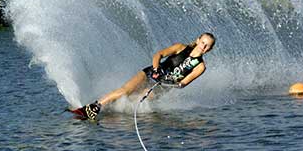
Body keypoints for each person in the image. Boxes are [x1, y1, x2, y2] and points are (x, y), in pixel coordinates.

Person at [70, 32, 216, 120]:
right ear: (198, 40)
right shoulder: (180, 47)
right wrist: (156, 68)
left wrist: (171, 83)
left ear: (209, 49)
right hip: (151, 74)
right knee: (125, 91)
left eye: (207, 45)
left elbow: (184, 83)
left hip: (162, 86)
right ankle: (93, 107)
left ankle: (110, 108)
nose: (203, 46)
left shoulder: (200, 66)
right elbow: (158, 55)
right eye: (203, 42)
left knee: (135, 99)